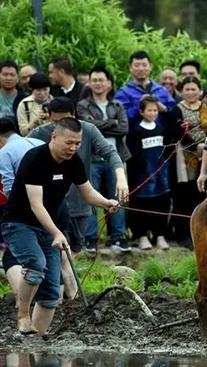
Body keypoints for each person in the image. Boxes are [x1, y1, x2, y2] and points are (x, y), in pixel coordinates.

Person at [2, 117, 119, 335]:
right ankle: (23, 315)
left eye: (77, 143)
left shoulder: (73, 162)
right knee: (36, 264)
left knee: (51, 293)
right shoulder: (35, 159)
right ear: (54, 137)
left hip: (48, 226)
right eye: (69, 143)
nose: (73, 148)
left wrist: (106, 202)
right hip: (19, 222)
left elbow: (88, 193)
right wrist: (57, 232)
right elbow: (36, 205)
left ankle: (34, 341)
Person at [26, 97, 127, 255]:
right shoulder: (39, 133)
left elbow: (110, 152)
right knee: (55, 248)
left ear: (74, 114)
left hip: (79, 200)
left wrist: (120, 177)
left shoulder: (88, 130)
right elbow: (23, 156)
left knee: (75, 248)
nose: (62, 125)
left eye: (66, 119)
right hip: (50, 204)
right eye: (56, 121)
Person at [76, 66, 131, 253]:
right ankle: (91, 239)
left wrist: (101, 125)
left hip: (115, 158)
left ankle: (118, 238)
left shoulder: (117, 105)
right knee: (91, 197)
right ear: (89, 83)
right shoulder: (83, 105)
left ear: (109, 83)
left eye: (102, 80)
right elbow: (88, 127)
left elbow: (124, 129)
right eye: (94, 80)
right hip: (92, 158)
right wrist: (112, 123)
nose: (98, 83)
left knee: (117, 197)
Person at [0, 118, 45, 298]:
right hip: (52, 207)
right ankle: (64, 297)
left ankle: (23, 298)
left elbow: (10, 191)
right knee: (53, 253)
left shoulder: (5, 152)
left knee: (12, 257)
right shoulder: (40, 143)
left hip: (26, 211)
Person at [126, 96, 171, 250]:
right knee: (142, 205)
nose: (152, 113)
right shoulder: (136, 132)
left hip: (160, 176)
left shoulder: (161, 129)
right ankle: (142, 236)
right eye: (149, 110)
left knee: (161, 204)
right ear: (141, 112)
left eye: (155, 110)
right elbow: (132, 156)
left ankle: (160, 235)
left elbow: (166, 150)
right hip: (142, 177)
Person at [170, 76, 207, 247]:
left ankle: (199, 233)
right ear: (181, 91)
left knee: (200, 195)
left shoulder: (206, 107)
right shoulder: (177, 109)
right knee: (183, 197)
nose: (191, 92)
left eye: (194, 89)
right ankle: (182, 234)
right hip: (185, 157)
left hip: (206, 154)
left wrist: (206, 145)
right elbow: (180, 132)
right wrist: (197, 146)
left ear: (199, 91)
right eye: (187, 89)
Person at [115, 50, 175, 130]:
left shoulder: (162, 90)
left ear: (150, 66)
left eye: (144, 65)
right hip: (135, 138)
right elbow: (122, 118)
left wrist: (164, 108)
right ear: (130, 68)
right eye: (137, 65)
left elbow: (174, 112)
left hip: (162, 137)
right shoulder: (123, 93)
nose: (141, 69)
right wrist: (140, 105)